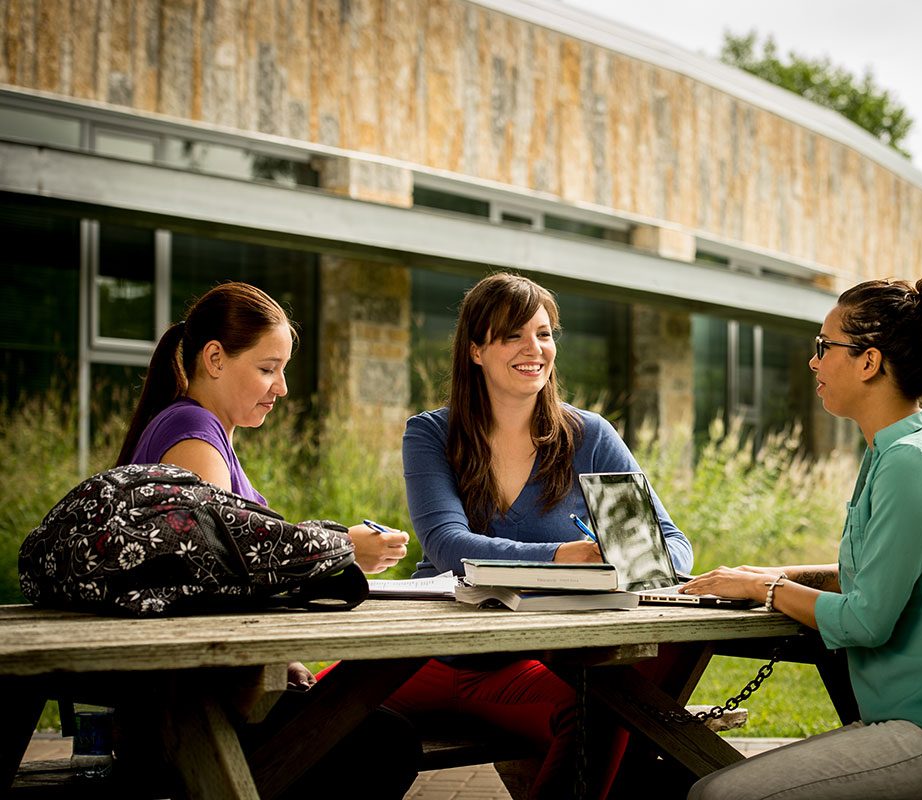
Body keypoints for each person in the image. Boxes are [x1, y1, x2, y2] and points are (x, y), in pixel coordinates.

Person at [682, 276, 922, 800]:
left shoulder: (915, 462)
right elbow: (877, 575)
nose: (814, 362)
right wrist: (772, 575)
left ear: (869, 362)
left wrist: (765, 592)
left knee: (720, 796)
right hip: (918, 724)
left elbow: (867, 618)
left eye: (824, 347)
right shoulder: (898, 452)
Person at [387, 271, 694, 799]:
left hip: (527, 662)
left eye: (545, 333)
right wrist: (561, 556)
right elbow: (446, 545)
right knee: (304, 722)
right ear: (476, 350)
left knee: (608, 713)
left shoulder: (588, 435)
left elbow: (670, 545)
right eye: (513, 336)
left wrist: (627, 553)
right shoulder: (432, 434)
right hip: (434, 652)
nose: (535, 349)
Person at [115, 281, 419, 797]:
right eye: (266, 368)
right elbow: (217, 578)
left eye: (282, 369)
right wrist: (342, 549)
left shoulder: (208, 433)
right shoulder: (192, 434)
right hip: (192, 710)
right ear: (214, 358)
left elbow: (241, 562)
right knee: (385, 742)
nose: (281, 388)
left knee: (382, 732)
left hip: (207, 692)